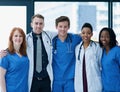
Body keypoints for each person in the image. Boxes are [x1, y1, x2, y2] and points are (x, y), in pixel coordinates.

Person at [0, 14, 55, 92]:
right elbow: (15, 45)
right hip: (33, 80)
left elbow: (62, 33)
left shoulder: (49, 35)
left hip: (46, 78)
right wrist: (2, 52)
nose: (38, 26)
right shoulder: (25, 38)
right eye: (36, 23)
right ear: (31, 24)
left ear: (43, 25)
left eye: (41, 23)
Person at [52, 16, 82, 92]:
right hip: (56, 80)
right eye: (60, 26)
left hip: (70, 80)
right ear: (56, 27)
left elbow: (87, 37)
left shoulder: (74, 38)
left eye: (65, 27)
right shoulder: (52, 41)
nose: (63, 29)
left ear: (68, 27)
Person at [74, 23, 102, 92]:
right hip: (80, 83)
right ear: (81, 34)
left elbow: (101, 64)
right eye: (83, 33)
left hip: (94, 83)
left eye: (88, 33)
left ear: (92, 34)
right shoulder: (77, 48)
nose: (85, 35)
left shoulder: (97, 47)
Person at [0, 27, 29, 92]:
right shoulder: (5, 55)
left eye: (20, 36)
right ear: (11, 38)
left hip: (24, 90)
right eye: (16, 36)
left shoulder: (26, 55)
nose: (18, 38)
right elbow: (1, 76)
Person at [99, 27, 120, 92]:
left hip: (117, 88)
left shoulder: (117, 50)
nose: (104, 39)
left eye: (107, 36)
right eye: (102, 36)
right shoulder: (101, 52)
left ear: (111, 37)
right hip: (105, 88)